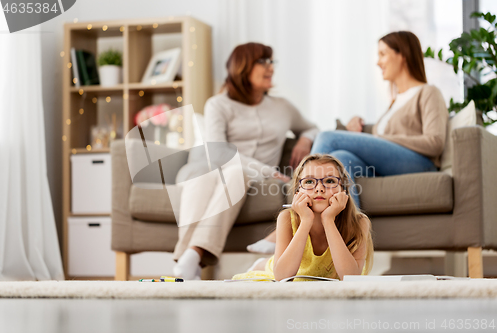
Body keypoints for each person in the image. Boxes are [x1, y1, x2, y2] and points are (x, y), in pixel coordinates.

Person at [247, 31, 448, 254]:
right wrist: (359, 129)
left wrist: (373, 138)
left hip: (419, 163)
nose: (378, 61)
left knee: (327, 138)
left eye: (383, 54)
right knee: (340, 160)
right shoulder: (394, 101)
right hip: (387, 164)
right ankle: (349, 241)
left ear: (402, 55)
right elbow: (385, 139)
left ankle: (293, 217)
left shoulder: (427, 93)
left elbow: (435, 142)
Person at [172, 42, 318, 280]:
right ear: (242, 67)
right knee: (206, 177)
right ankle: (189, 260)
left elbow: (312, 127)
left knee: (236, 173)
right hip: (212, 168)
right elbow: (219, 154)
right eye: (263, 61)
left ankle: (190, 258)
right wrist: (267, 171)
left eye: (272, 61)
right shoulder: (218, 104)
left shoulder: (282, 107)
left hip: (246, 177)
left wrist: (304, 139)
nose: (270, 67)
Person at [232, 154, 373, 281]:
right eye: (310, 182)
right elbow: (282, 277)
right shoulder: (287, 218)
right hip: (275, 269)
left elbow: (350, 278)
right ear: (298, 190)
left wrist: (328, 220)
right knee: (266, 267)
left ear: (343, 189)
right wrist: (306, 221)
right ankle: (260, 263)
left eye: (330, 181)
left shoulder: (359, 222)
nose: (319, 188)